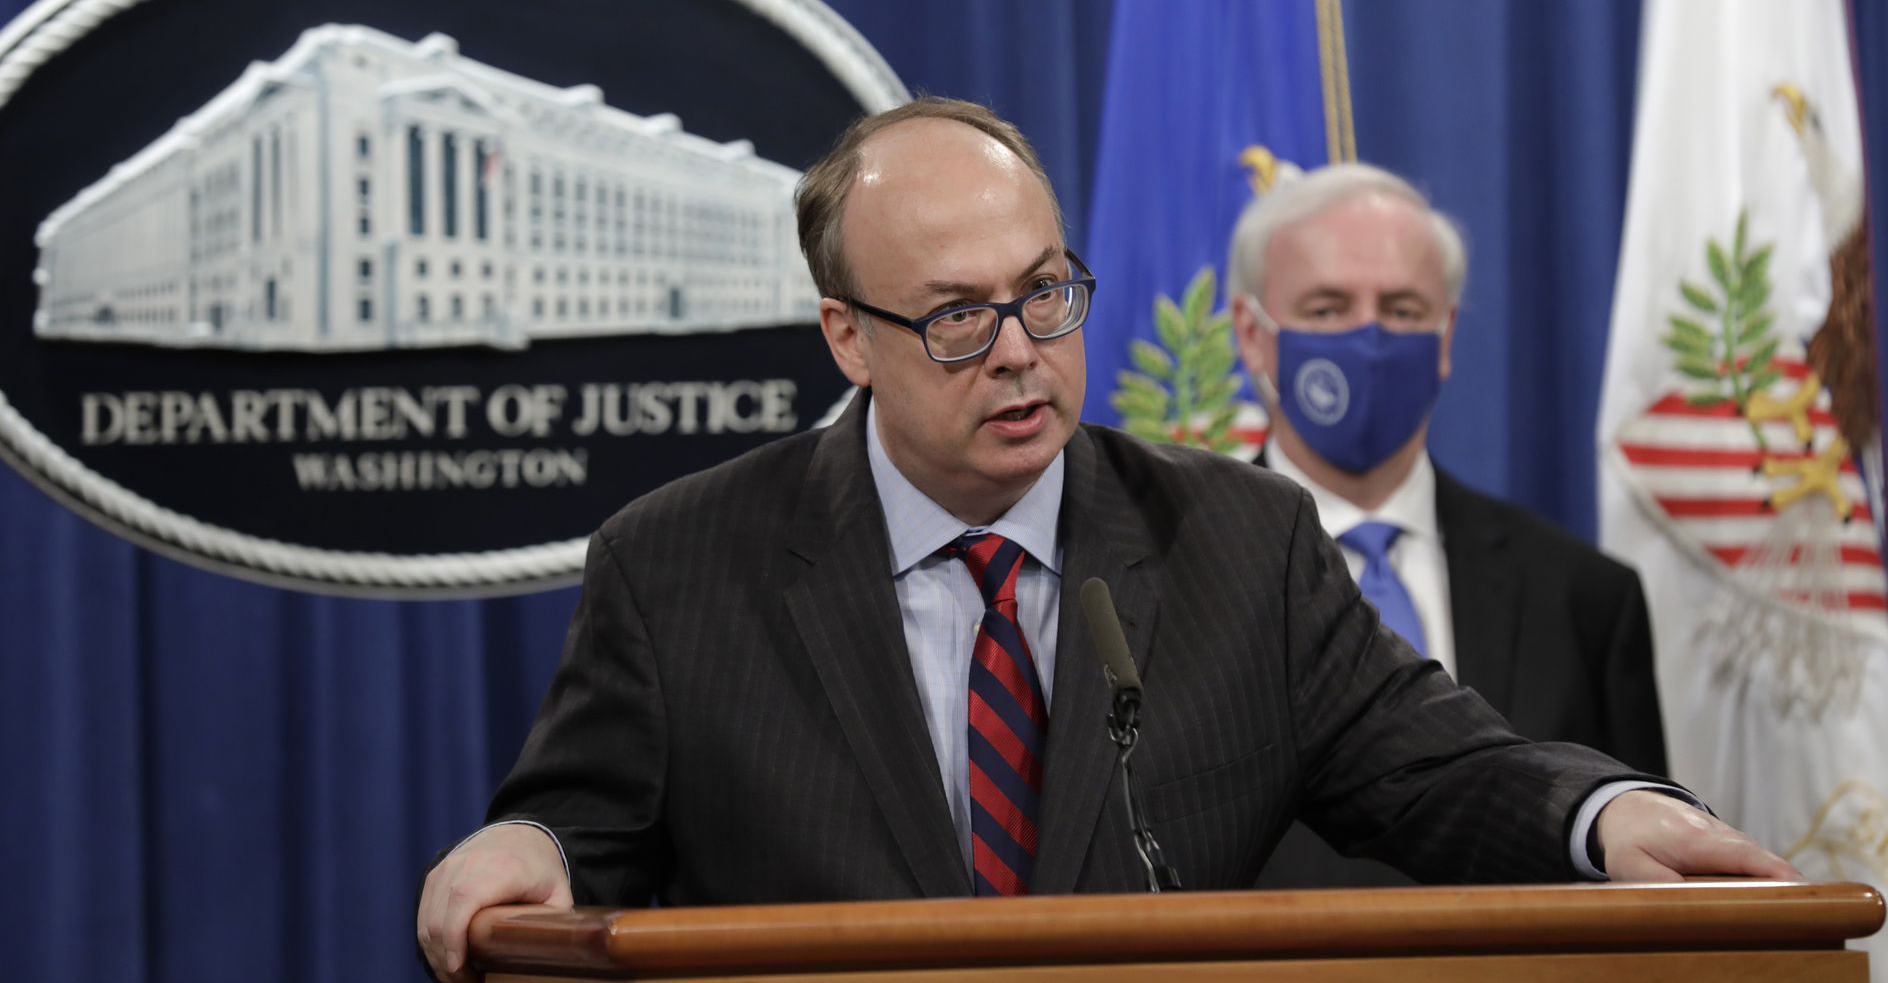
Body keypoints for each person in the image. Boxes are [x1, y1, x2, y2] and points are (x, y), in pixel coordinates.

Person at [416, 98, 1792, 983]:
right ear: (847, 336)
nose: (1022, 358)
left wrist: (1610, 816)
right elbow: (586, 826)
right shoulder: (681, 566)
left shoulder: (1238, 544)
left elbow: (1440, 767)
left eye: (1046, 294)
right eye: (957, 317)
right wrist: (528, 842)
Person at [1223, 162, 1669, 889]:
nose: (1369, 340)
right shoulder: (1171, 578)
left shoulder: (1584, 597)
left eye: (1400, 309)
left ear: (1446, 333)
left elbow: (1640, 885)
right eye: (1329, 308)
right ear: (1253, 333)